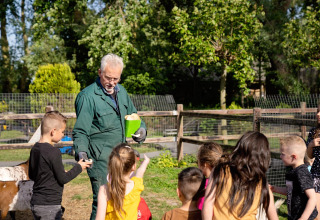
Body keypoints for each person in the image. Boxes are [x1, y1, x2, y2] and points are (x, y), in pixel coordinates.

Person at [72, 53, 147, 219]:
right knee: (102, 202)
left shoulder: (122, 92)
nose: (112, 82)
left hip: (121, 158)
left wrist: (142, 129)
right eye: (108, 78)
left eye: (116, 78)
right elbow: (80, 131)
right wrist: (82, 152)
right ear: (100, 72)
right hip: (100, 159)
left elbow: (133, 114)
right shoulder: (88, 97)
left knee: (122, 200)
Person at [29, 111, 92, 220]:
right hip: (50, 205)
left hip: (36, 203)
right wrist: (79, 167)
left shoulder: (35, 148)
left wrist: (56, 174)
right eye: (62, 132)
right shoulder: (54, 152)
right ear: (53, 131)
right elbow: (63, 179)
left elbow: (32, 175)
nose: (63, 135)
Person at [202, 131, 279, 220]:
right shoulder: (260, 181)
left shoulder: (220, 170)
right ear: (263, 156)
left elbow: (208, 203)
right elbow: (273, 216)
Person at [95, 143, 150, 220]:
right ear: (133, 167)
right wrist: (146, 162)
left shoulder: (104, 190)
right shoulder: (136, 185)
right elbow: (140, 172)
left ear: (112, 164)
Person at [271, 136, 318, 220]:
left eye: (282, 154)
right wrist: (274, 188)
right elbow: (291, 192)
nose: (280, 156)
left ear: (293, 157)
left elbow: (312, 198)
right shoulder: (293, 171)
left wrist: (303, 218)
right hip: (293, 215)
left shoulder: (301, 173)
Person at [197, 142, 223, 210]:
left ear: (205, 164)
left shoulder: (204, 185)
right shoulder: (225, 179)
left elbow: (200, 208)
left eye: (198, 162)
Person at [307, 110, 320, 220]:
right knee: (316, 215)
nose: (318, 114)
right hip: (316, 176)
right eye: (318, 111)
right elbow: (310, 156)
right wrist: (311, 145)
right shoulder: (313, 132)